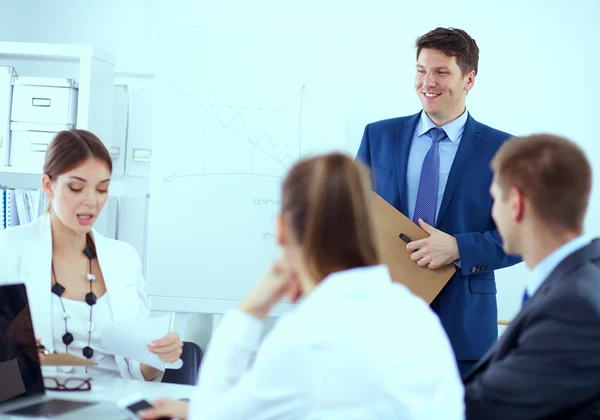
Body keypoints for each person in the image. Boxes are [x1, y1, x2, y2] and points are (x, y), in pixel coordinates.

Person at [139, 153, 464, 419]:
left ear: (281, 229)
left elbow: (212, 416)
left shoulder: (305, 338)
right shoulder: (417, 317)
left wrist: (249, 312)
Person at [356, 27, 521, 376]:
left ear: (469, 79)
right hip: (382, 321)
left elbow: (522, 240)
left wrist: (459, 248)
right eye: (421, 70)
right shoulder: (378, 136)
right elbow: (352, 219)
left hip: (463, 328)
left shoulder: (505, 151)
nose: (427, 82)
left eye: (441, 72)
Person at [0, 129, 183, 381]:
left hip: (115, 407)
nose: (92, 202)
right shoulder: (10, 248)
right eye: (76, 188)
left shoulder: (123, 258)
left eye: (101, 189)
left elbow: (136, 367)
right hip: (36, 406)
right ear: (47, 185)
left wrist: (157, 357)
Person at [464, 134, 600, 419]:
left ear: (515, 203)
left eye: (494, 198)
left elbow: (484, 409)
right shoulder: (581, 276)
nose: (493, 211)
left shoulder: (573, 309)